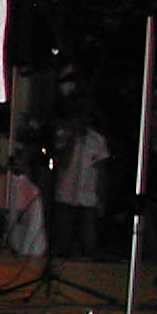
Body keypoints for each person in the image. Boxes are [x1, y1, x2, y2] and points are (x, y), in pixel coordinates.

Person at [50, 103, 110, 259]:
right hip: (66, 195)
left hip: (87, 197)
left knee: (89, 240)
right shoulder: (63, 136)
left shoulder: (98, 140)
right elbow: (63, 162)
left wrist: (101, 197)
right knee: (62, 240)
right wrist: (72, 140)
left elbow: (101, 171)